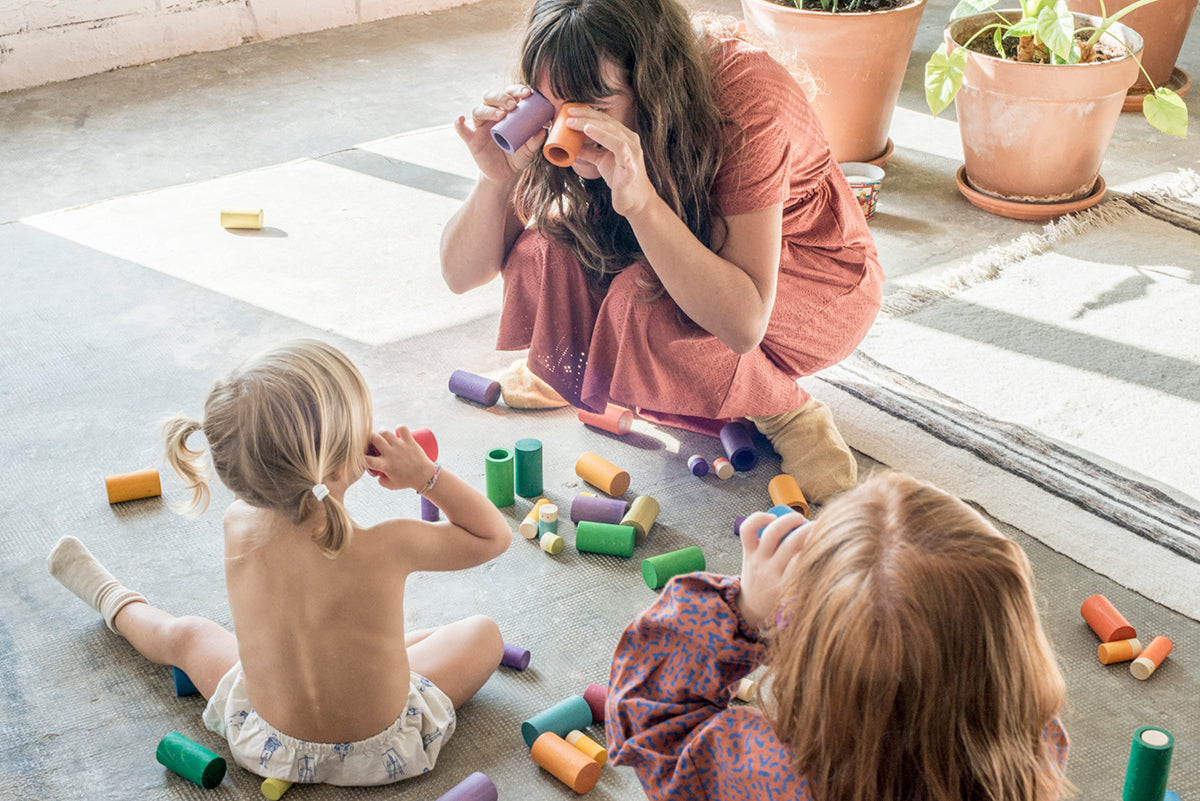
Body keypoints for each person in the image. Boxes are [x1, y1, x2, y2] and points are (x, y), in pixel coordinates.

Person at [440, 0, 884, 503]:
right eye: (552, 106)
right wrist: (494, 179)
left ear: (651, 86)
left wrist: (642, 202)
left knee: (642, 297)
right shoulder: (573, 72)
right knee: (544, 250)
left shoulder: (747, 102)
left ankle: (781, 407)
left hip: (808, 284)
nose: (565, 132)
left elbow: (744, 323)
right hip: (687, 251)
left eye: (591, 111)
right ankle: (585, 365)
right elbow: (460, 275)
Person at [47, 339, 512, 787]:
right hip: (383, 749)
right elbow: (493, 535)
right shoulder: (390, 543)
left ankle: (110, 597)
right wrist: (425, 476)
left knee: (187, 635)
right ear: (342, 458)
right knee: (482, 633)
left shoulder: (237, 523)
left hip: (265, 742)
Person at [605, 471, 1072, 801]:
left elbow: (652, 724)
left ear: (800, 648)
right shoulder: (1035, 752)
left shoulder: (760, 771)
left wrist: (745, 609)